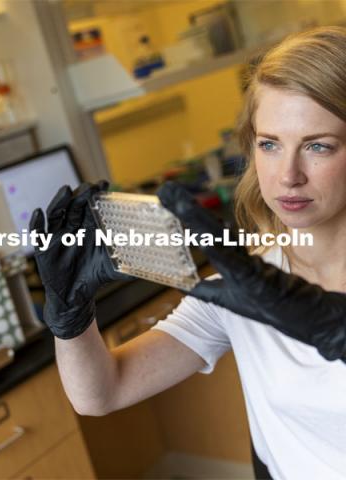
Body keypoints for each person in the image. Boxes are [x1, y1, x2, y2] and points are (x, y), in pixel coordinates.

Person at [29, 26, 346, 480]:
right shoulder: (244, 286)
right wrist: (72, 318)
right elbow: (101, 394)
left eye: (318, 146)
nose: (288, 175)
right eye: (269, 144)